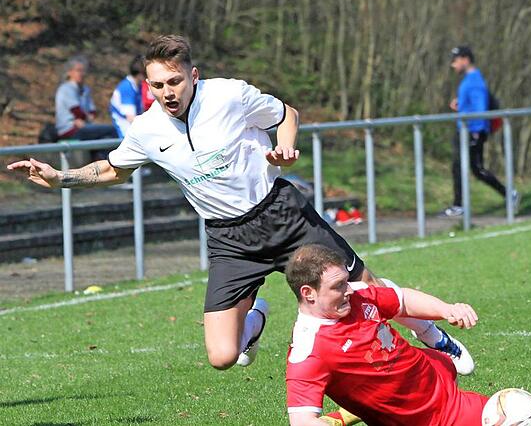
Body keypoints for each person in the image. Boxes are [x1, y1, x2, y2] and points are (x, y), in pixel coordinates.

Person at [9, 36, 474, 392]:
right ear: (147, 86)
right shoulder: (146, 129)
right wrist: (60, 178)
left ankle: (434, 337)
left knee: (365, 287)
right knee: (221, 356)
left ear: (193, 75)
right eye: (158, 85)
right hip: (229, 239)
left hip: (281, 215)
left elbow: (286, 113)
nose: (167, 92)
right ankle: (256, 320)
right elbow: (113, 169)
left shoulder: (229, 95)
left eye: (175, 81)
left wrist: (284, 145)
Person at [284, 244, 531, 426]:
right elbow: (302, 421)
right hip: (433, 418)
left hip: (439, 382)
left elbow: (402, 301)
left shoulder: (357, 295)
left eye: (346, 280)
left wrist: (447, 309)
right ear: (308, 293)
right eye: (338, 286)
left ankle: (439, 348)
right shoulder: (308, 353)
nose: (349, 290)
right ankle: (348, 415)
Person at [444, 45, 517, 217]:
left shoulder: (475, 81)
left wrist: (475, 132)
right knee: (470, 168)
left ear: (465, 59)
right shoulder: (470, 80)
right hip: (467, 130)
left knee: (470, 167)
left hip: (472, 131)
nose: (453, 65)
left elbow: (480, 109)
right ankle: (508, 195)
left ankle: (459, 205)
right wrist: (461, 105)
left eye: (455, 61)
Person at [54, 55, 119, 160]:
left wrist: (86, 117)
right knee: (112, 130)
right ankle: (106, 161)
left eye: (83, 71)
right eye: (78, 70)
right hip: (70, 129)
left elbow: (92, 111)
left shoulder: (85, 89)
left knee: (105, 137)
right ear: (69, 72)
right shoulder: (66, 88)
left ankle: (99, 161)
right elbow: (77, 111)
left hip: (84, 126)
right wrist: (85, 118)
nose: (81, 74)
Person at [109, 55, 146, 138]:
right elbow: (131, 118)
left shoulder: (138, 86)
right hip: (124, 130)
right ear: (140, 73)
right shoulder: (127, 87)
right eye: (146, 73)